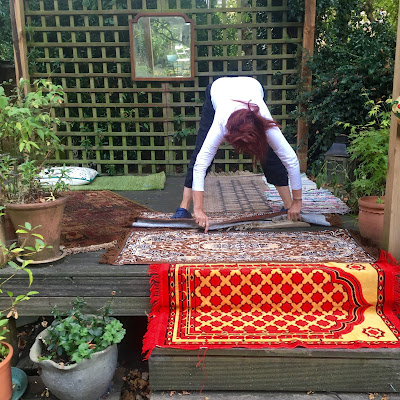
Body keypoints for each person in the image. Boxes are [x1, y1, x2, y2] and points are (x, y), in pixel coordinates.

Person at [171, 76, 302, 232]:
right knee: (201, 150)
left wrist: (297, 202)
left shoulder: (265, 124)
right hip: (218, 89)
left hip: (252, 86)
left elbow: (291, 161)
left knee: (271, 155)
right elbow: (201, 164)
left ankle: (288, 205)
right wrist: (198, 209)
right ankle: (184, 206)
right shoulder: (221, 124)